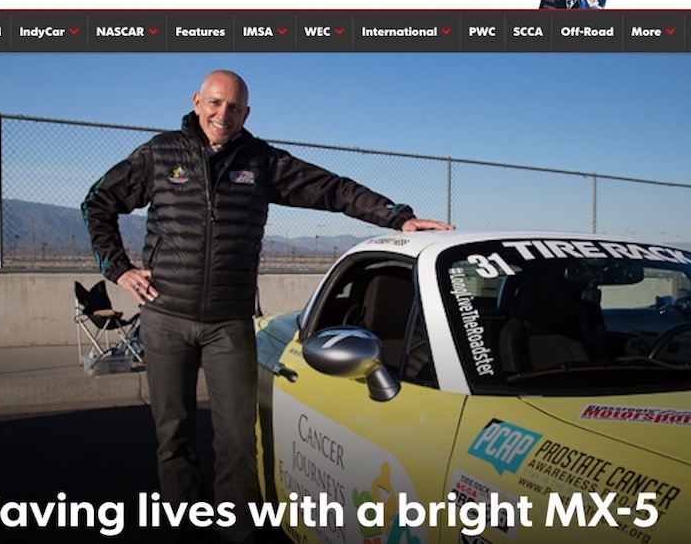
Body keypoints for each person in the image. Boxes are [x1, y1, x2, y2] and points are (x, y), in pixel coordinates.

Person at [81, 70, 454, 544]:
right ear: (197, 101)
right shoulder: (159, 154)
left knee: (238, 442)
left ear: (247, 113)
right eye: (215, 103)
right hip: (165, 319)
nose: (223, 114)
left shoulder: (261, 161)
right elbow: (98, 202)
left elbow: (332, 188)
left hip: (228, 325)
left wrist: (397, 217)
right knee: (173, 436)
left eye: (234, 108)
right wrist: (119, 269)